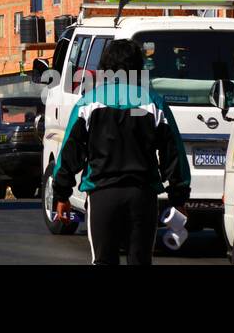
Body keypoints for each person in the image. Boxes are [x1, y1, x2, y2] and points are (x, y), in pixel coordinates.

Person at [50, 39, 190, 265]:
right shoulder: (154, 103)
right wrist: (178, 197)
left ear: (105, 67)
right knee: (140, 261)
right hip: (142, 197)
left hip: (102, 195)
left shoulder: (89, 103)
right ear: (138, 67)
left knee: (104, 261)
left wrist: (61, 195)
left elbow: (69, 153)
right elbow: (173, 154)